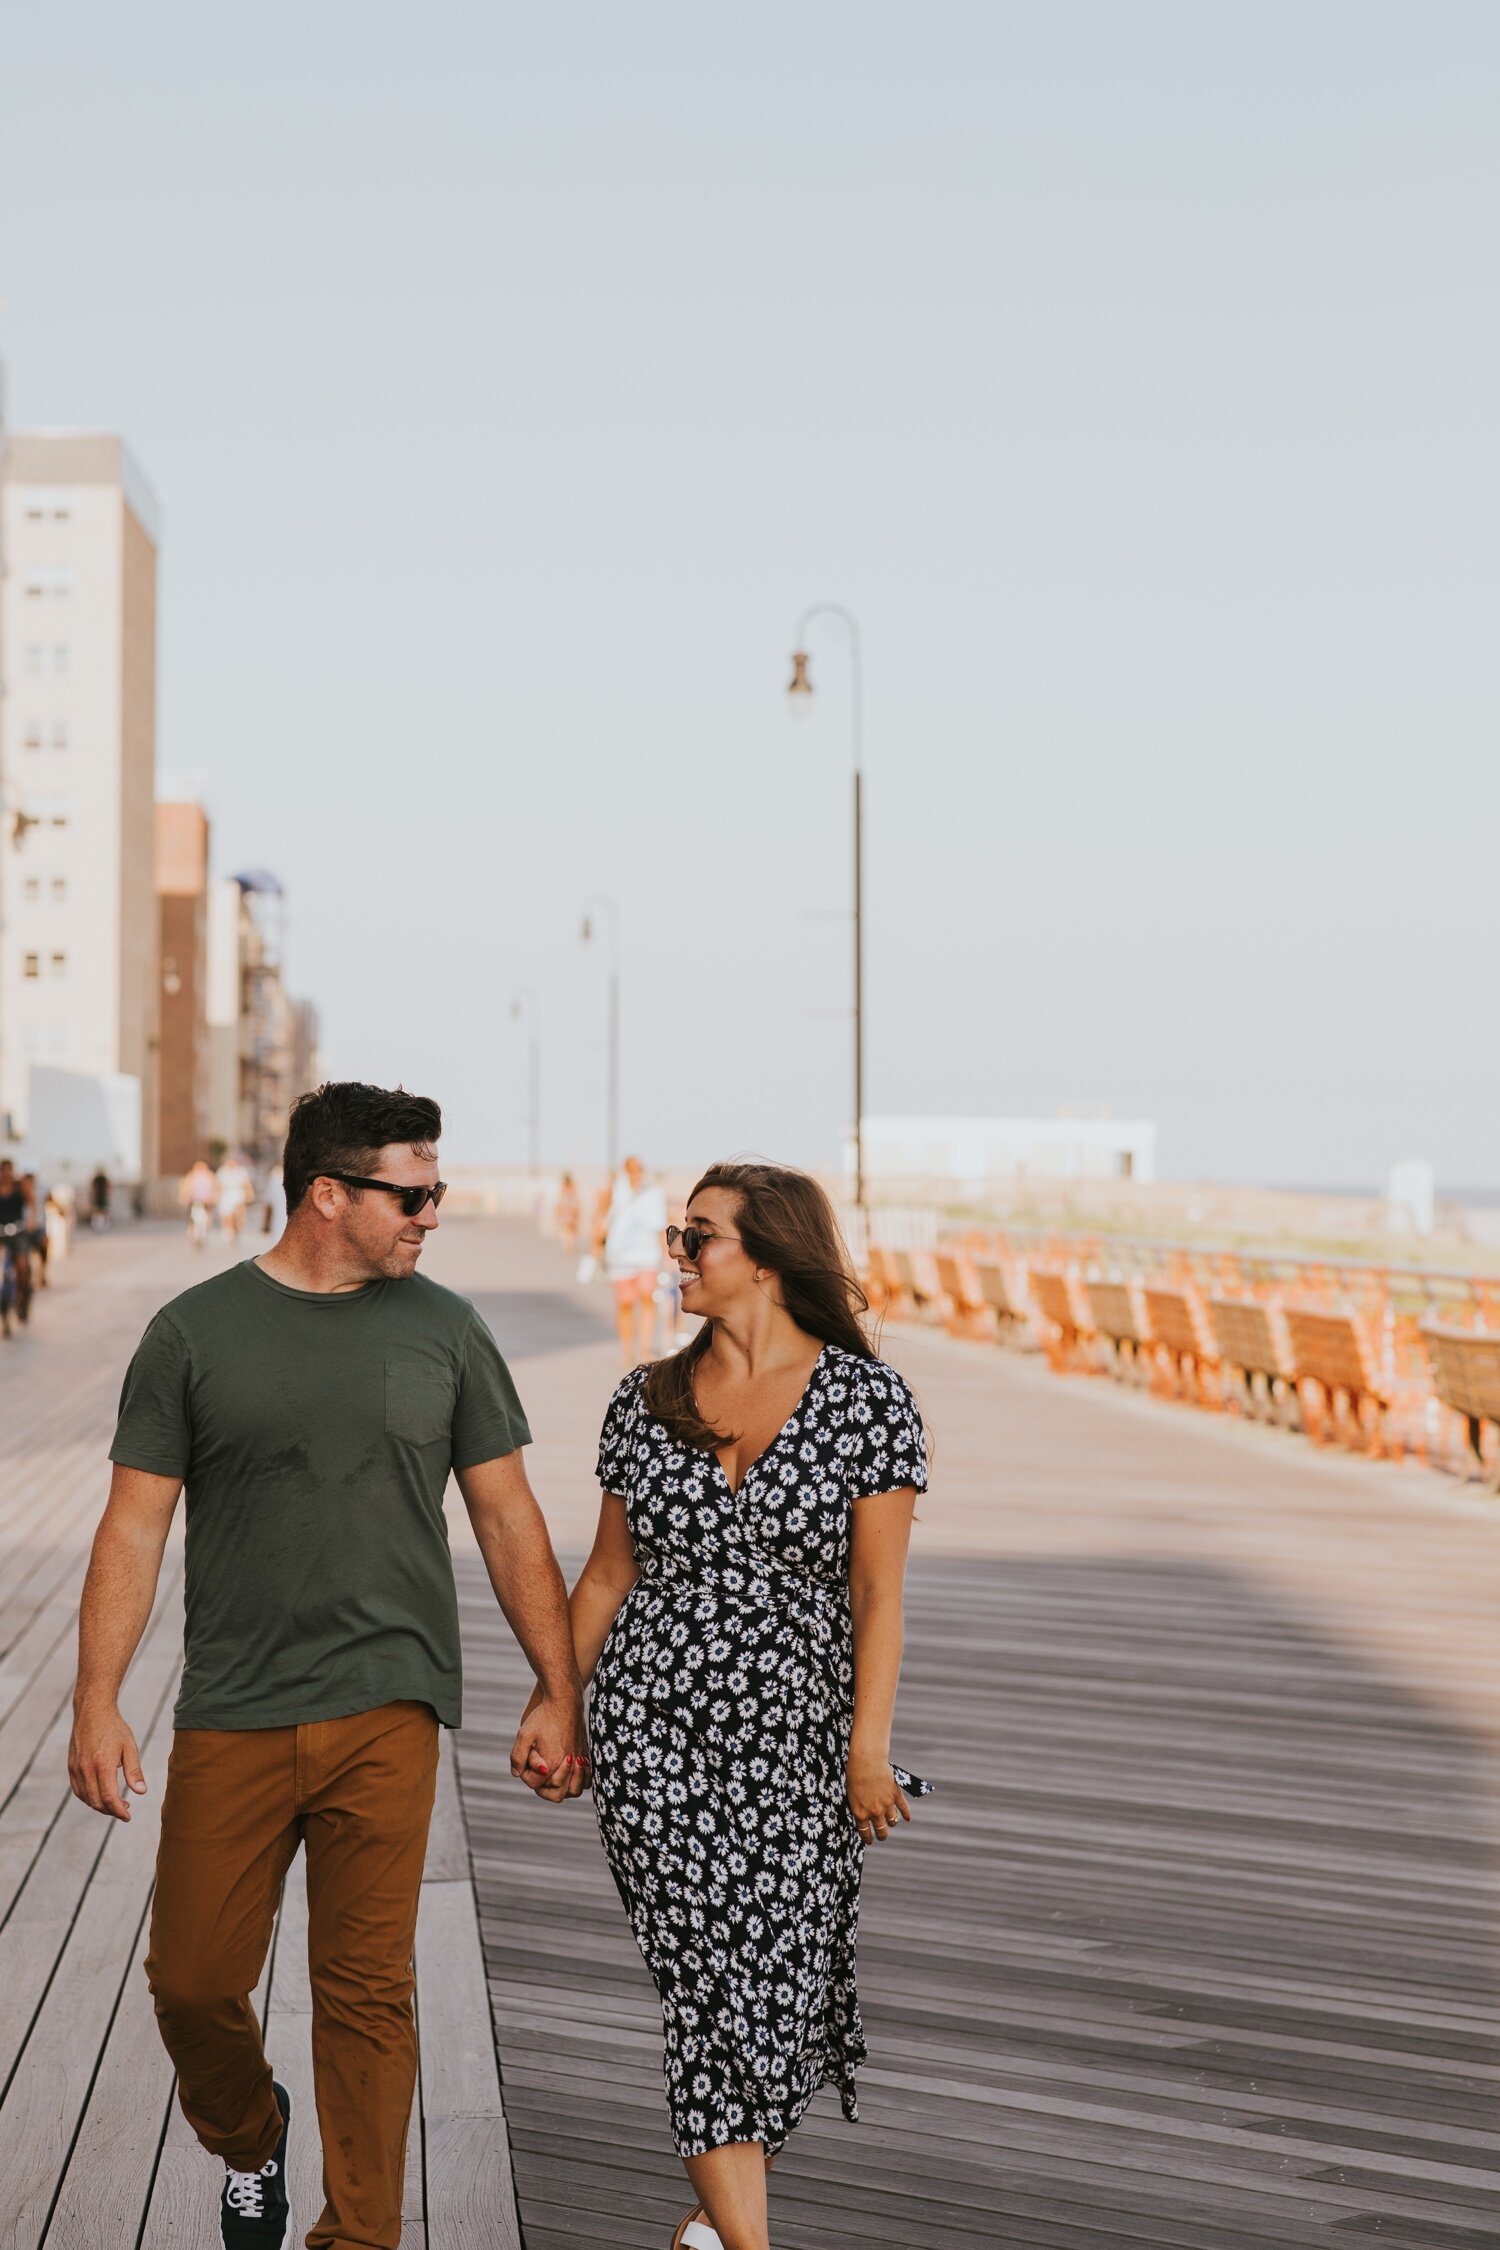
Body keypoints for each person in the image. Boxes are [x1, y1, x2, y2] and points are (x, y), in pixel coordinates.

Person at [68, 1080, 588, 2250]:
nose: (433, 1214)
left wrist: (560, 1688)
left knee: (366, 1996)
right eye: (412, 1194)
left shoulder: (448, 1329)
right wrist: (96, 1701)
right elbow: (133, 1527)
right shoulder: (193, 1334)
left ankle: (357, 2235)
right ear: (326, 1196)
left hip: (387, 1708)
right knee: (193, 1983)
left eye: (438, 1191)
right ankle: (251, 2139)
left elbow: (507, 1520)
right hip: (235, 1708)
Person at [537, 1160, 930, 2250]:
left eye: (697, 1237)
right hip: (654, 1733)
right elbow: (607, 1574)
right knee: (707, 1983)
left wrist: (869, 1748)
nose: (677, 1254)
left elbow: (878, 1594)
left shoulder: (867, 1404)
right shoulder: (646, 1398)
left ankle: (710, 2229)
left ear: (767, 1255)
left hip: (804, 1742)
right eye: (676, 1234)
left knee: (784, 1989)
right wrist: (556, 1704)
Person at [602, 1153, 668, 1367]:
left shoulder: (654, 1193)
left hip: (647, 1254)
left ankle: (645, 1347)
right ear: (625, 1170)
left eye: (638, 1168)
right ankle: (627, 1349)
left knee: (648, 1297)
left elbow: (660, 1225)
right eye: (631, 1168)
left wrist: (666, 1253)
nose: (635, 1173)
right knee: (625, 1302)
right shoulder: (615, 1190)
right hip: (619, 1254)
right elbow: (602, 1215)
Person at [179, 1158, 219, 1249]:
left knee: (207, 1216)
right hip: (195, 1200)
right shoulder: (192, 1175)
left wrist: (214, 1197)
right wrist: (184, 1197)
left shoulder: (210, 1175)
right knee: (192, 1217)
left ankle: (205, 1231)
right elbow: (186, 1187)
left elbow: (215, 1187)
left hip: (206, 1200)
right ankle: (192, 1232)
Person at [216, 1150, 254, 1241]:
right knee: (226, 1213)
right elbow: (218, 1185)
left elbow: (246, 1184)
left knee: (239, 1205)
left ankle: (240, 1221)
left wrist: (250, 1193)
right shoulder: (221, 1171)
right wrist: (216, 1195)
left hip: (237, 1193)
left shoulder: (241, 1171)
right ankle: (228, 1229)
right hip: (226, 1194)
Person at [555, 1170, 581, 1255]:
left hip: (567, 1208)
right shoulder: (572, 1186)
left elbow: (561, 1199)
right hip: (570, 1208)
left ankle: (568, 1245)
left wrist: (559, 1210)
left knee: (567, 1229)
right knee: (571, 1229)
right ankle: (570, 1244)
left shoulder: (565, 1187)